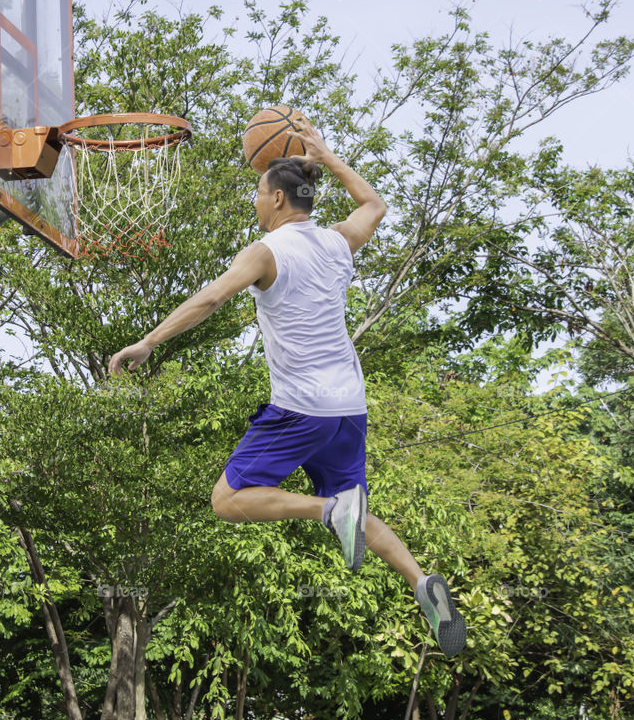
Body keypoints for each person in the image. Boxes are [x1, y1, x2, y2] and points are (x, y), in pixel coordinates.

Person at [108, 119, 466, 657]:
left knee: (227, 501)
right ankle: (420, 582)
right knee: (354, 509)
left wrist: (148, 343)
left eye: (258, 193)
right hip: (349, 407)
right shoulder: (338, 243)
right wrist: (329, 156)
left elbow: (209, 300)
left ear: (277, 197)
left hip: (301, 409)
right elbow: (374, 206)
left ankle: (326, 511)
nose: (255, 202)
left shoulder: (266, 252)